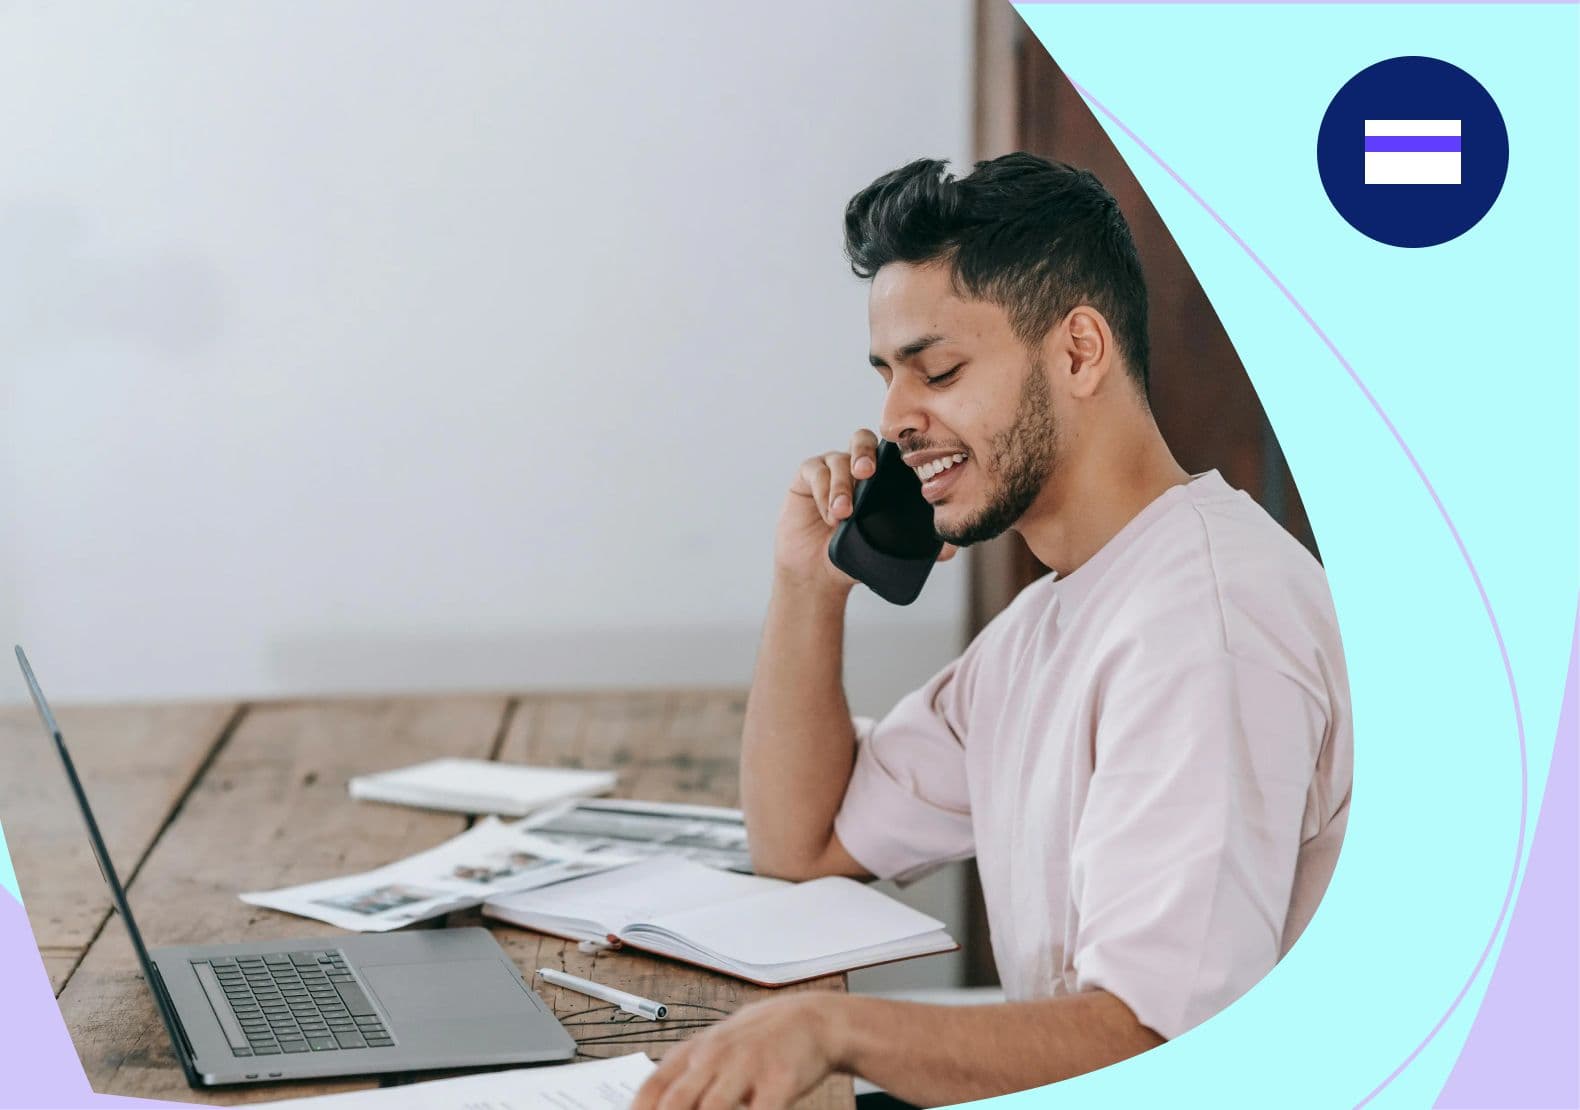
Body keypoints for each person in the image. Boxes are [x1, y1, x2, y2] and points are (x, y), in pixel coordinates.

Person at [631, 153, 1352, 1110]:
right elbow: (802, 846)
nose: (894, 420)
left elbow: (1164, 1047)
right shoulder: (1054, 619)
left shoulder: (1208, 628)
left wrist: (835, 1030)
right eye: (889, 377)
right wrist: (810, 589)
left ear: (1080, 351)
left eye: (938, 370)